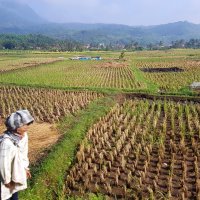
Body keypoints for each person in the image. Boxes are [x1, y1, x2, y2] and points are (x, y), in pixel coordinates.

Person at [0, 110, 34, 200]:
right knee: (6, 195)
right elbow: (3, 164)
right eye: (25, 125)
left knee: (15, 194)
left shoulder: (23, 136)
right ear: (16, 127)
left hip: (15, 173)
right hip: (5, 177)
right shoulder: (6, 143)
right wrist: (6, 180)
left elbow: (23, 153)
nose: (28, 127)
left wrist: (25, 168)